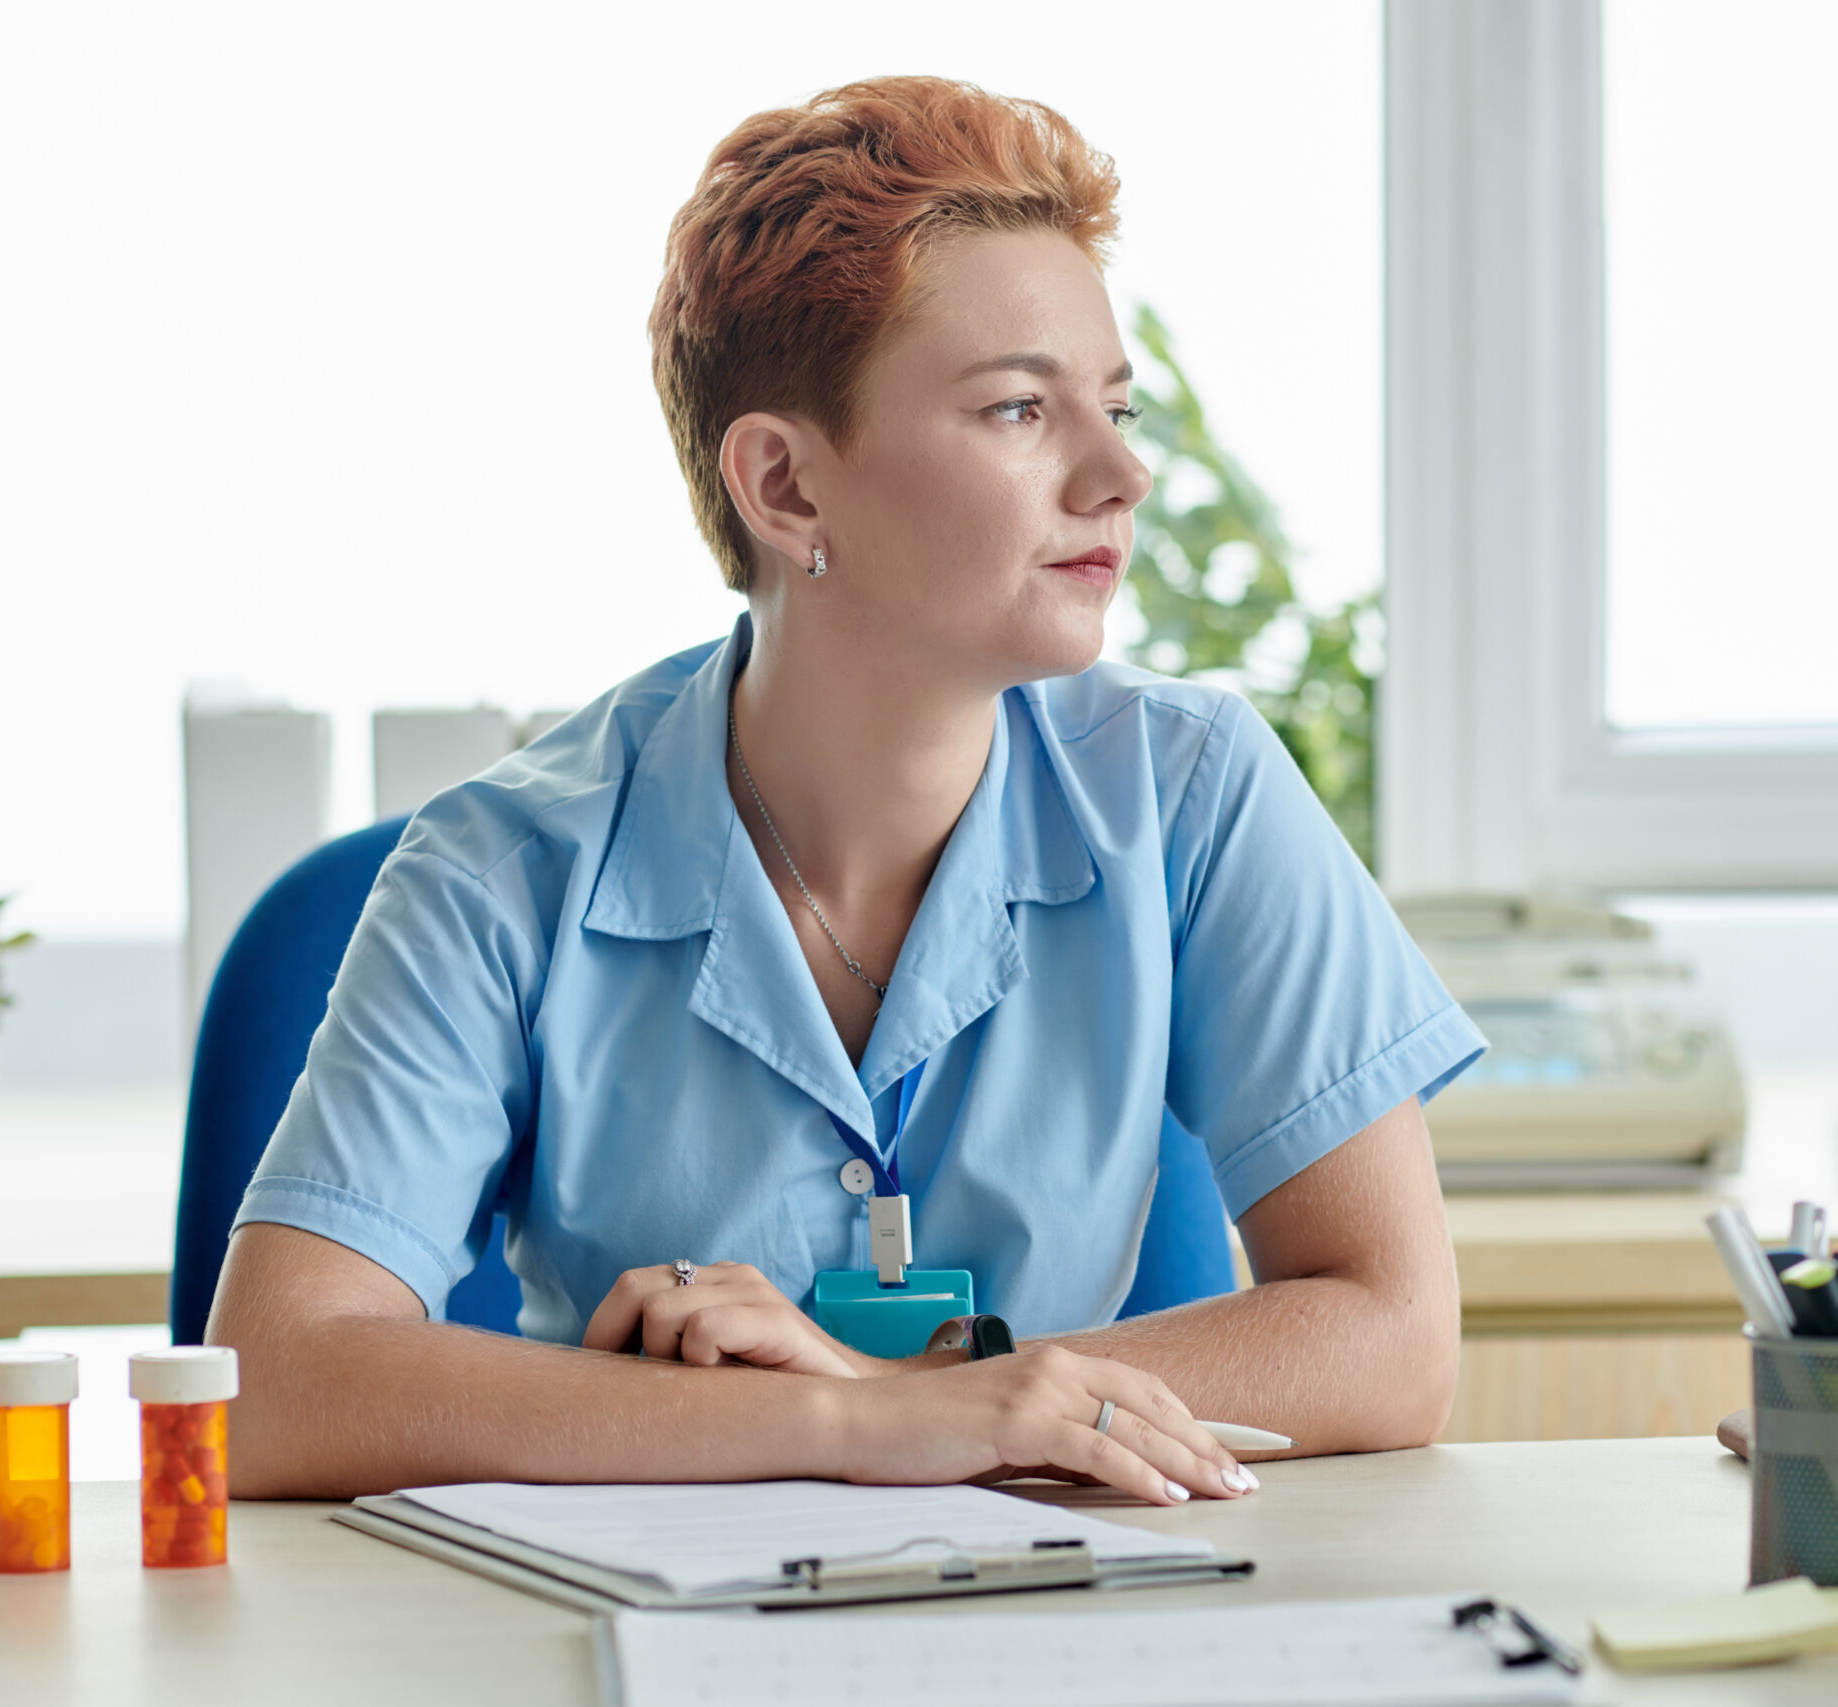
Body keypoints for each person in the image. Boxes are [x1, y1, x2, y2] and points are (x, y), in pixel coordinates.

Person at [207, 75, 1484, 1506]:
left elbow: (1393, 1338)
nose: (1121, 474)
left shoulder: (1195, 791)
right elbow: (273, 1386)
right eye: (1018, 408)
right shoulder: (499, 870)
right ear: (787, 488)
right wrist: (853, 1428)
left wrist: (905, 1389)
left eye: (1116, 409)